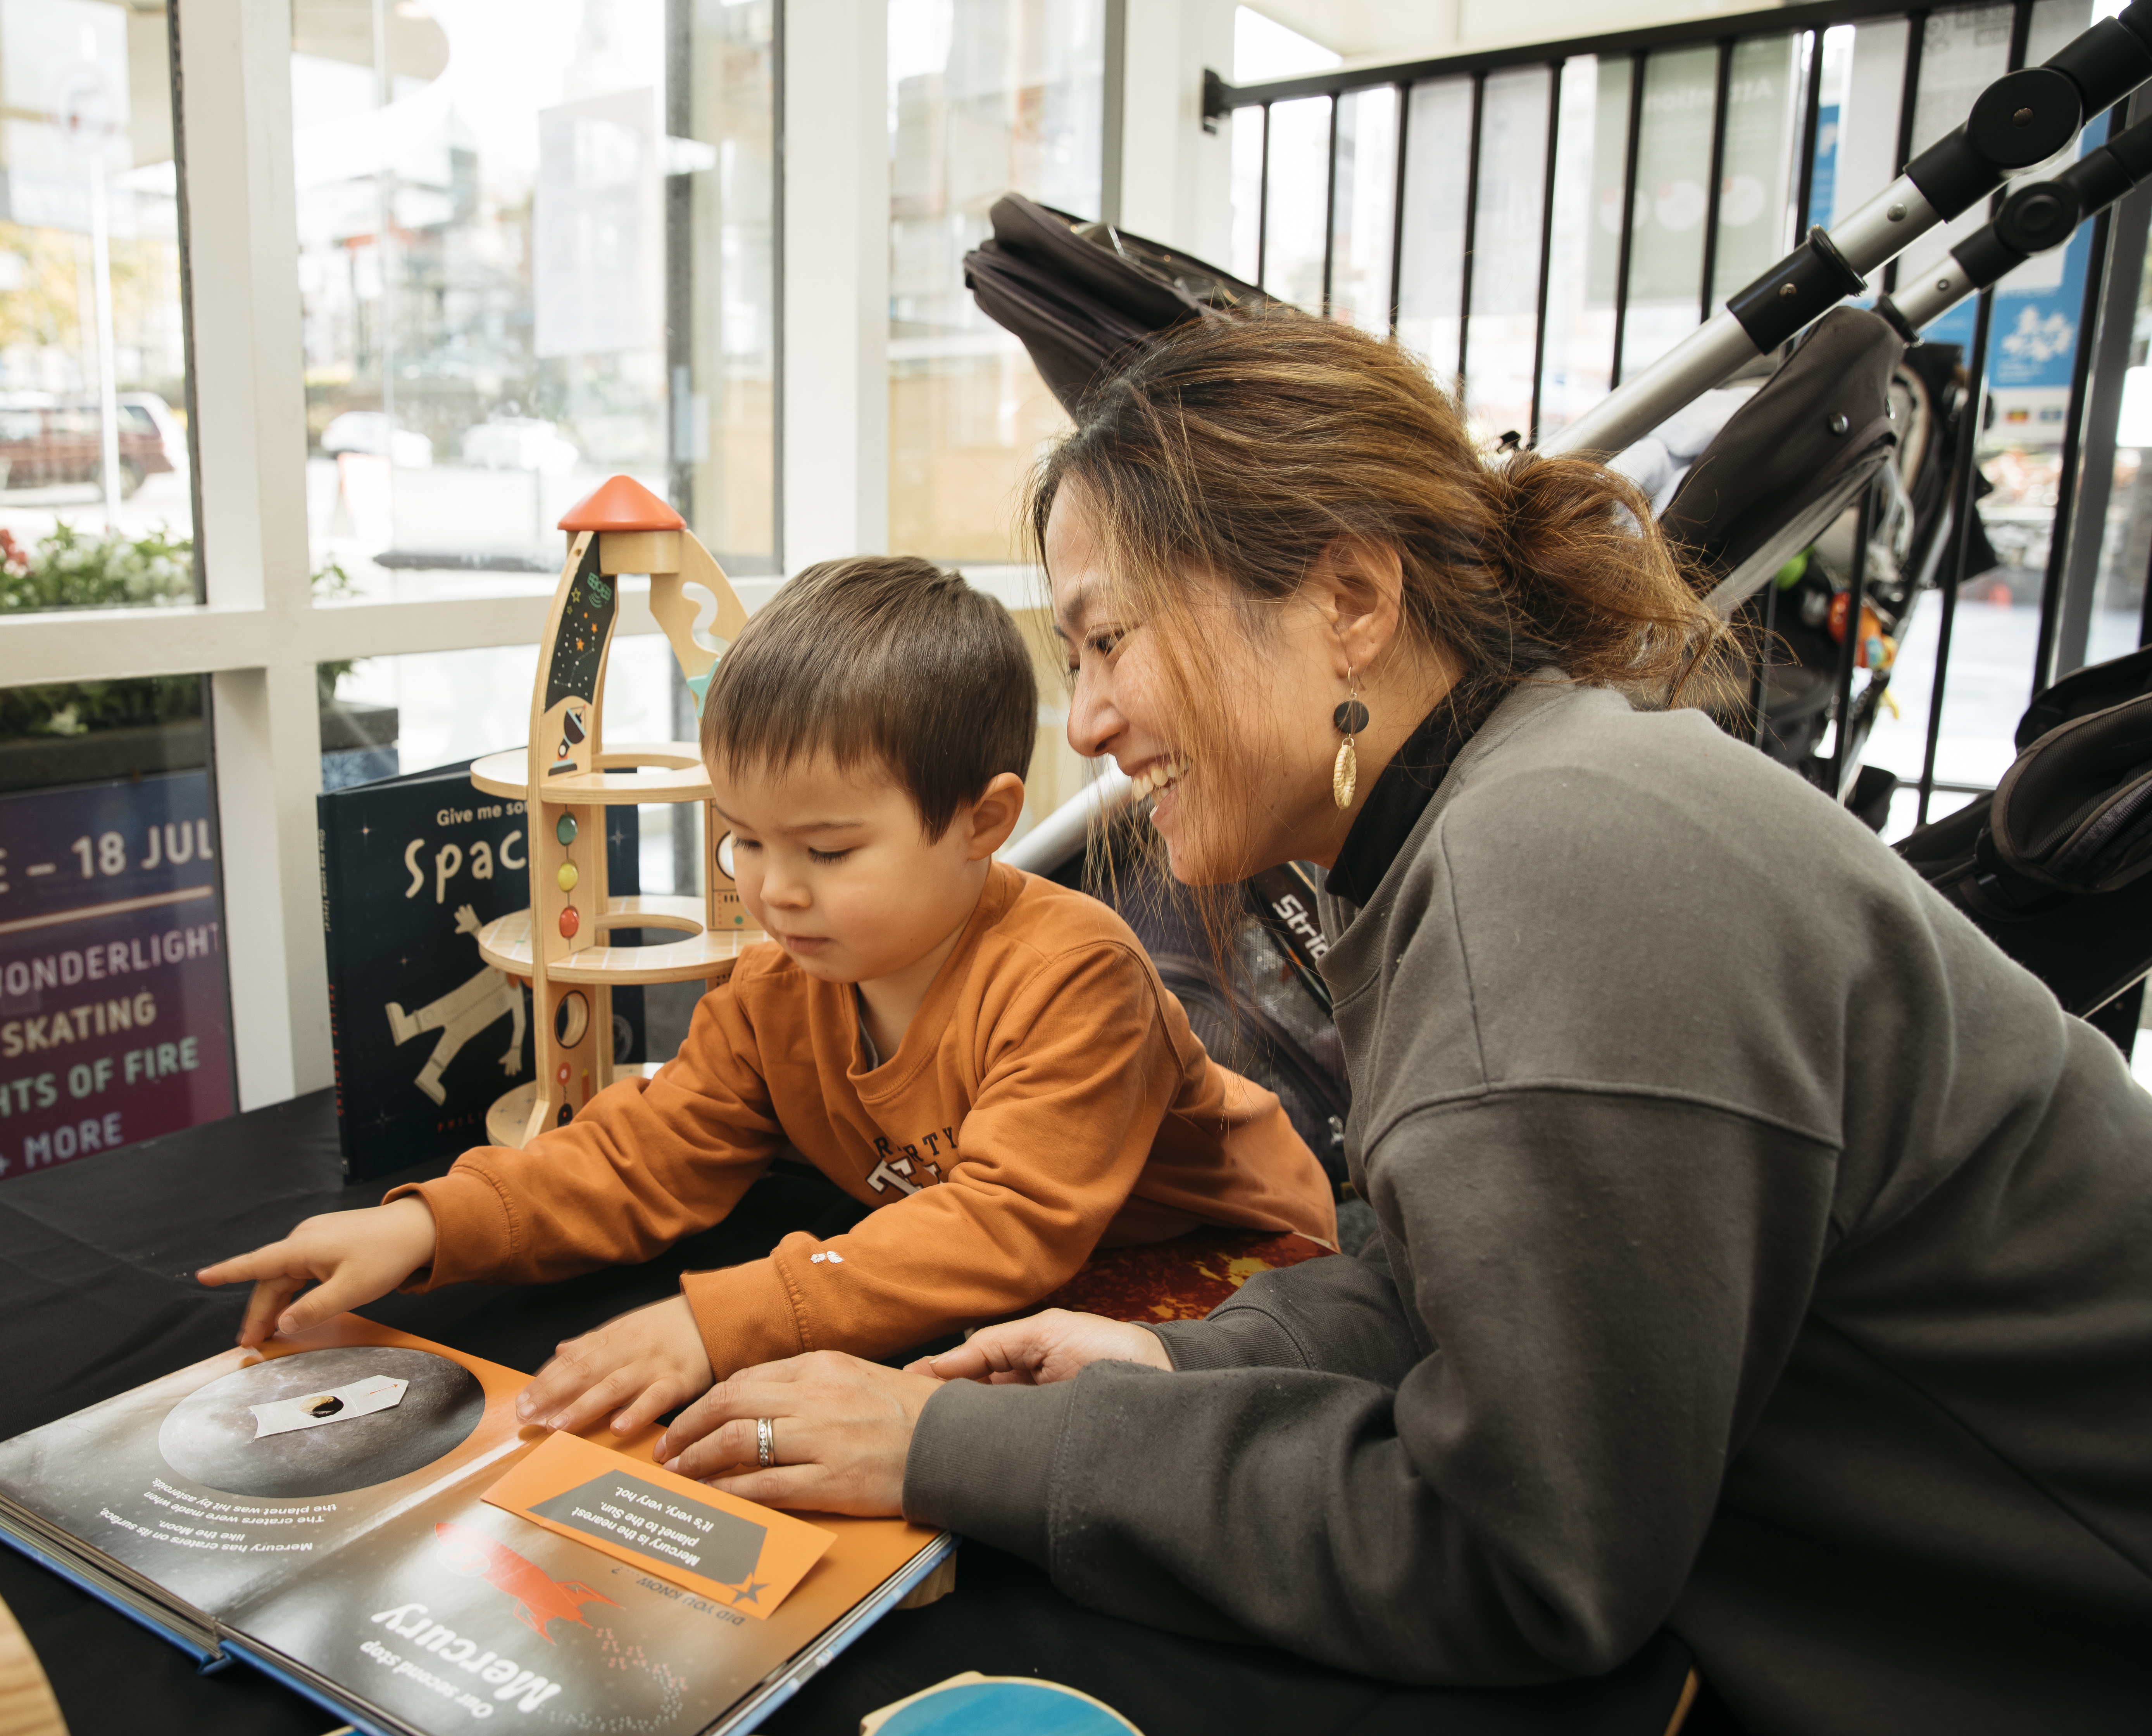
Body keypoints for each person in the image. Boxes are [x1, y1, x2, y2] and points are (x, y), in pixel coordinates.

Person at [652, 312, 2152, 1735]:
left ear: (1352, 604)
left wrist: (950, 1450)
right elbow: (1454, 1291)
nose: (1091, 723)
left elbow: (1524, 1555)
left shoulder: (1560, 866)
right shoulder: (1515, 805)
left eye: (1110, 642)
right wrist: (1186, 1367)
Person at [201, 557, 1337, 1439]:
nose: (772, 888)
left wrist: (717, 1322)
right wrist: (426, 1222)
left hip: (1243, 1267)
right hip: (1024, 1282)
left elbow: (1004, 1223)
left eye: (830, 850)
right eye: (742, 838)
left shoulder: (1073, 972)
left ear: (985, 823)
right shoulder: (775, 985)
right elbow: (643, 1154)